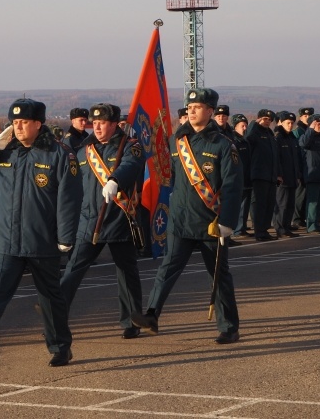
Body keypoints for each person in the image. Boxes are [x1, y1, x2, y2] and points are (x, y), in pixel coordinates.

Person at [0, 98, 82, 366]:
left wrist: (65, 238)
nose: (17, 127)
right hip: (7, 239)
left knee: (50, 299)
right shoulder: (7, 151)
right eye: (14, 122)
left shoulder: (59, 153)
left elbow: (69, 199)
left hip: (42, 241)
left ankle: (61, 347)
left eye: (23, 122)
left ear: (38, 124)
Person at [132, 88, 243, 344]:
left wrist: (227, 221)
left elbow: (233, 186)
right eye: (189, 107)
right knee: (166, 269)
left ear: (210, 111)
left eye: (198, 107)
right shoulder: (177, 141)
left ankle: (228, 326)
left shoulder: (223, 145)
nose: (191, 111)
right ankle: (151, 315)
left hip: (210, 223)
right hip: (180, 220)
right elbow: (169, 176)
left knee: (218, 275)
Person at [58, 103, 145, 339]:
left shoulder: (130, 147)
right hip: (89, 220)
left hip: (118, 218)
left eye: (102, 123)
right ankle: (56, 314)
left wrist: (116, 179)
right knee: (73, 269)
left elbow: (131, 166)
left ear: (115, 124)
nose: (96, 127)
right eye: (93, 123)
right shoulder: (83, 150)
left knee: (126, 272)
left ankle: (131, 320)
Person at [246, 109, 279, 241]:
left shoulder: (270, 134)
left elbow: (275, 156)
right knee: (259, 205)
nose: (267, 122)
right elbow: (248, 138)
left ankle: (264, 230)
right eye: (265, 119)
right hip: (259, 175)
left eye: (269, 120)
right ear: (259, 119)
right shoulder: (255, 132)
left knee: (269, 205)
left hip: (270, 175)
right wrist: (254, 124)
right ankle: (259, 231)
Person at [299, 114, 320, 233]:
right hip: (313, 174)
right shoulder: (306, 137)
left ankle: (317, 223)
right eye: (318, 124)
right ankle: (311, 225)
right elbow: (303, 144)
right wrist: (311, 129)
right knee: (313, 202)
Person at [272, 111, 301, 237]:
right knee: (282, 204)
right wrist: (278, 174)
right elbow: (276, 158)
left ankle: (287, 226)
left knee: (290, 204)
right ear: (281, 123)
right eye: (287, 123)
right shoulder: (278, 138)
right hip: (283, 177)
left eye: (292, 123)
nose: (290, 125)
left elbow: (297, 158)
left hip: (293, 176)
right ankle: (280, 228)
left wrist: (298, 174)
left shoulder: (292, 138)